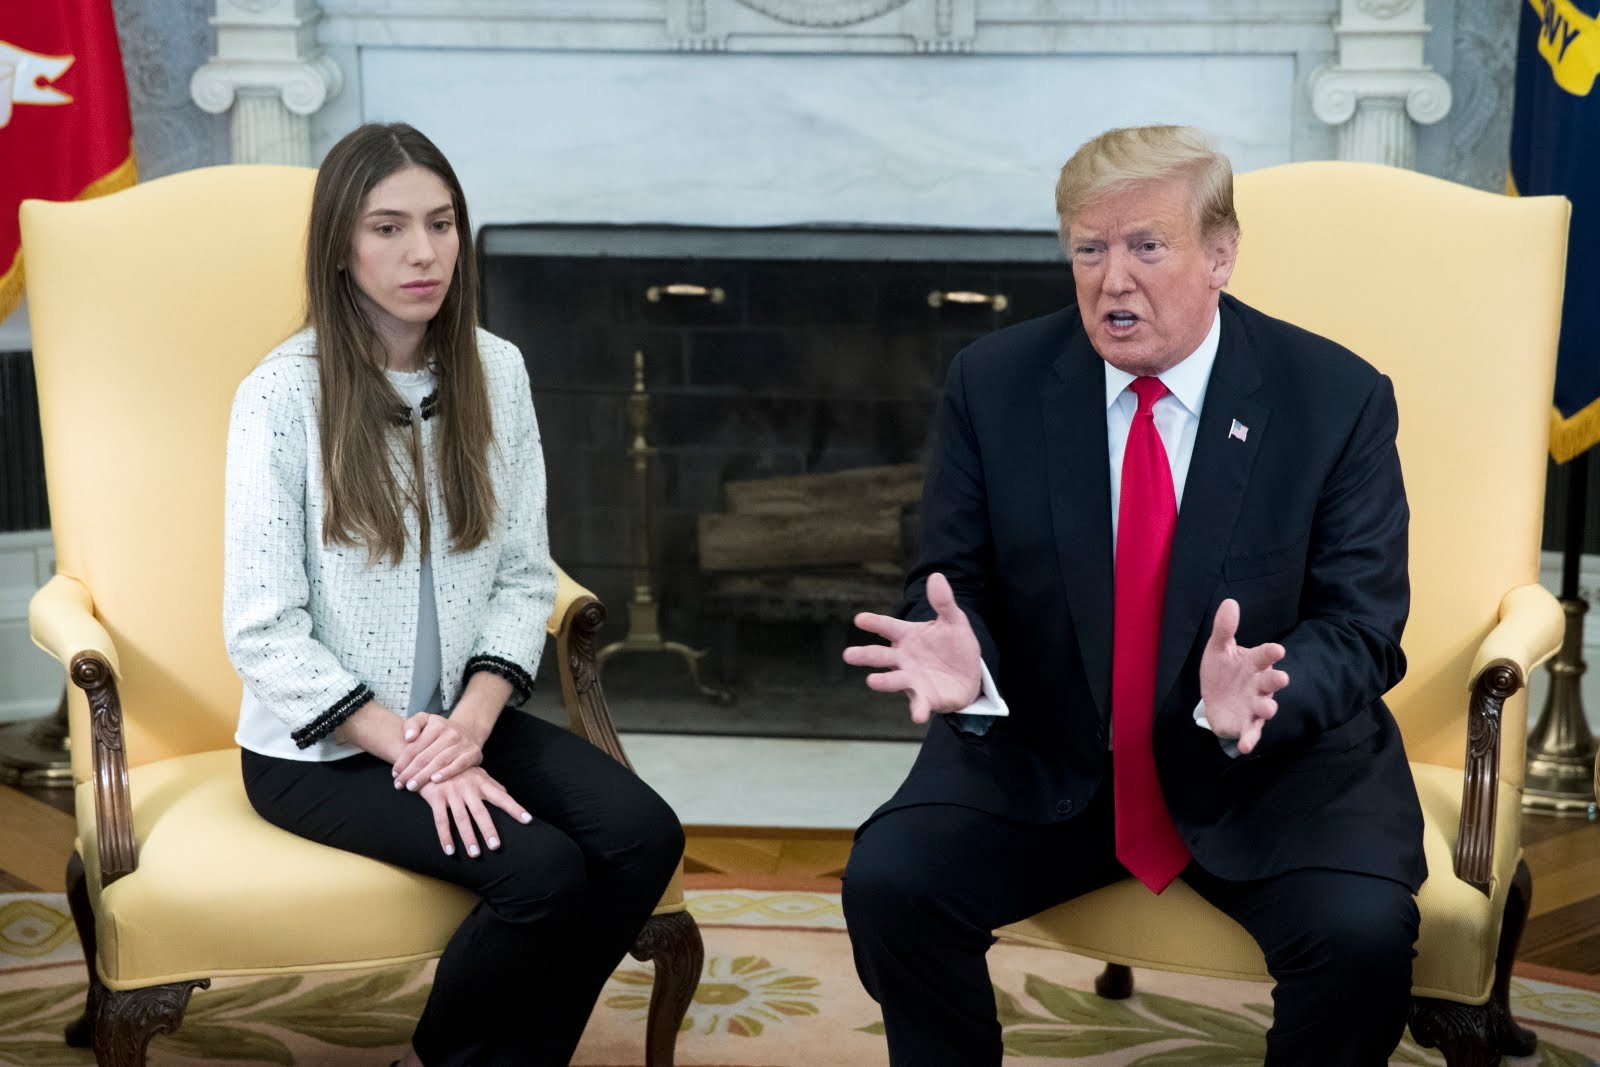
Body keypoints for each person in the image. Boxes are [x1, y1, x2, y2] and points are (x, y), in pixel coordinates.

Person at [841, 125, 1425, 1066]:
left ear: (1220, 255)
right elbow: (954, 581)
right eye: (1090, 249)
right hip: (1051, 749)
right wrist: (969, 663)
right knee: (891, 885)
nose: (1114, 280)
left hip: (1269, 769)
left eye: (1147, 246)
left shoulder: (1334, 397)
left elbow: (1363, 626)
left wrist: (1267, 690)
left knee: (1360, 938)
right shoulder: (994, 383)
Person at [223, 122, 684, 1067]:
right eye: (388, 227)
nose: (423, 252)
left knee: (644, 834)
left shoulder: (495, 370)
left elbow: (522, 573)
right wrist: (416, 750)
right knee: (542, 871)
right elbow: (264, 632)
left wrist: (468, 728)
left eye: (440, 223)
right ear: (340, 246)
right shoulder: (280, 396)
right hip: (324, 750)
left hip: (459, 717)